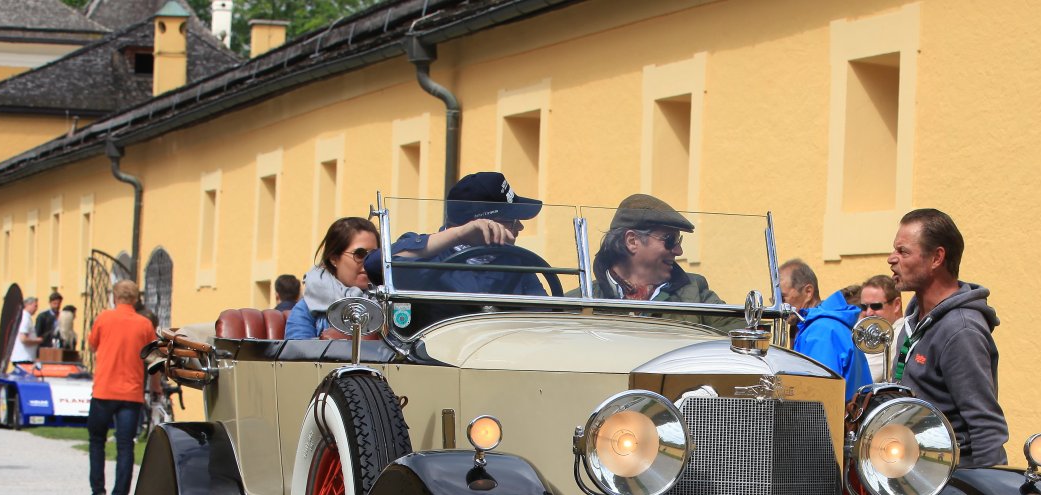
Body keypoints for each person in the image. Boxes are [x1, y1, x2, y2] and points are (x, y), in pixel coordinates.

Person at [886, 208, 1007, 467]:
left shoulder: (960, 330)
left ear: (937, 258)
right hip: (915, 476)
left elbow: (986, 427)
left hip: (951, 480)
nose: (891, 259)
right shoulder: (913, 322)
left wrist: (987, 487)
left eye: (903, 252)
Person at [364, 171, 546, 299]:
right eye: (512, 220)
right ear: (482, 224)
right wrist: (459, 235)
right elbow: (374, 265)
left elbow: (544, 316)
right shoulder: (428, 253)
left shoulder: (515, 263)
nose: (520, 227)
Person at [591, 193, 731, 330]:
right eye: (670, 240)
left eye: (679, 241)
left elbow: (735, 329)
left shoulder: (695, 292)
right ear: (632, 241)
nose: (679, 251)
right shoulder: (583, 301)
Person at [85, 279, 156, 495]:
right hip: (131, 394)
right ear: (136, 299)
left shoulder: (104, 318)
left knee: (97, 441)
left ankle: (98, 493)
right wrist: (156, 387)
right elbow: (154, 358)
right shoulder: (145, 324)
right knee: (125, 445)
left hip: (104, 390)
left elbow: (92, 345)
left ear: (115, 297)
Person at [779, 258, 870, 399]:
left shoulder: (821, 331)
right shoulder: (824, 325)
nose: (778, 306)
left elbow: (817, 398)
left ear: (808, 292)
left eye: (782, 298)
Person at [285, 217, 381, 340]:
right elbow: (296, 349)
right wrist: (330, 342)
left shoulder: (390, 303)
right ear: (334, 259)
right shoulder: (308, 307)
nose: (368, 262)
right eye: (359, 254)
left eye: (374, 255)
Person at [11, 295, 42, 366]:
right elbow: (23, 339)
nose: (36, 309)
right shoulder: (25, 318)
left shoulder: (23, 316)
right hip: (24, 357)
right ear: (28, 305)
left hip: (24, 357)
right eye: (35, 306)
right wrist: (37, 341)